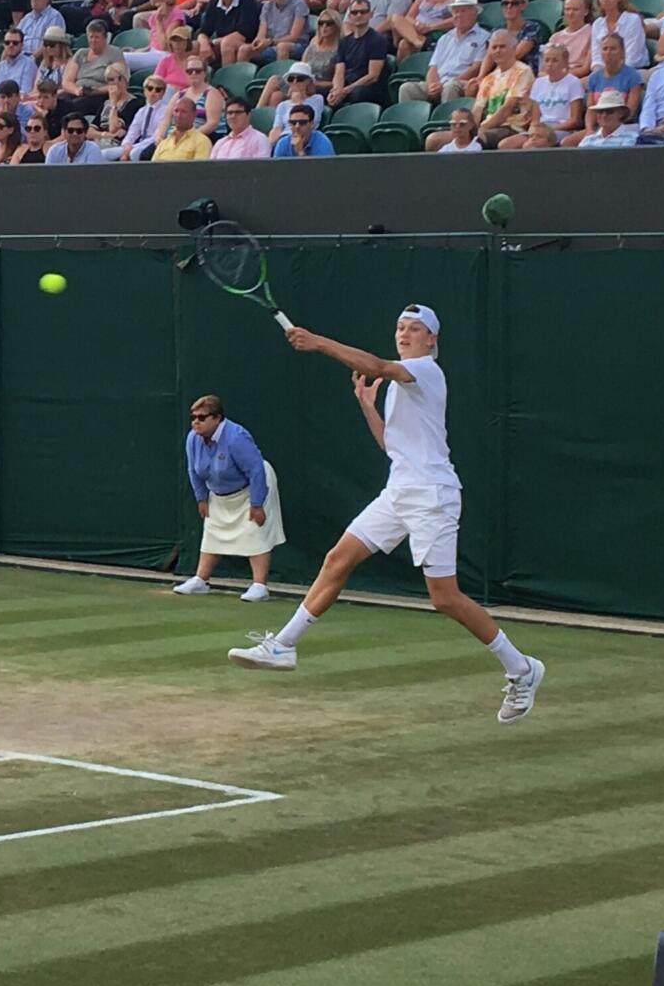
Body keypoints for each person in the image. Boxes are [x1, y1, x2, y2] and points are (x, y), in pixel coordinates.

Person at [230, 307, 544, 721]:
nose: (405, 334)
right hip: (398, 491)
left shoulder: (426, 371)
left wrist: (319, 342)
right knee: (337, 559)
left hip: (432, 495)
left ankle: (521, 669)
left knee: (445, 598)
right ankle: (284, 645)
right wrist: (367, 406)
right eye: (400, 327)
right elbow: (393, 448)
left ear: (432, 340)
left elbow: (377, 365)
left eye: (416, 329)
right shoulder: (401, 385)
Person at [176, 393, 282, 602]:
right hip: (219, 491)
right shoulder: (192, 438)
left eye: (201, 417)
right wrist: (201, 498)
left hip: (253, 485)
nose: (196, 422)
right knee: (212, 530)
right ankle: (201, 580)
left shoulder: (236, 437)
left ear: (217, 418)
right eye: (193, 417)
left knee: (255, 531)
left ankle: (260, 586)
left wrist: (257, 503)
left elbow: (256, 470)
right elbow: (193, 470)